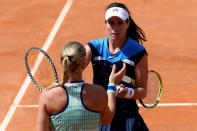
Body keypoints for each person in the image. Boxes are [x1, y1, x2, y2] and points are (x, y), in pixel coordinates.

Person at [84, 2, 149, 131]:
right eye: (111, 23)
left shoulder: (137, 52)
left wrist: (127, 93)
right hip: (102, 117)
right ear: (105, 24)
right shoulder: (93, 48)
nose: (115, 28)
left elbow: (142, 91)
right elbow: (75, 69)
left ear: (127, 23)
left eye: (120, 23)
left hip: (127, 117)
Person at [36, 41, 126, 131]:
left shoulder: (47, 96)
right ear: (83, 64)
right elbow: (107, 120)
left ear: (62, 63)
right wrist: (112, 86)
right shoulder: (98, 93)